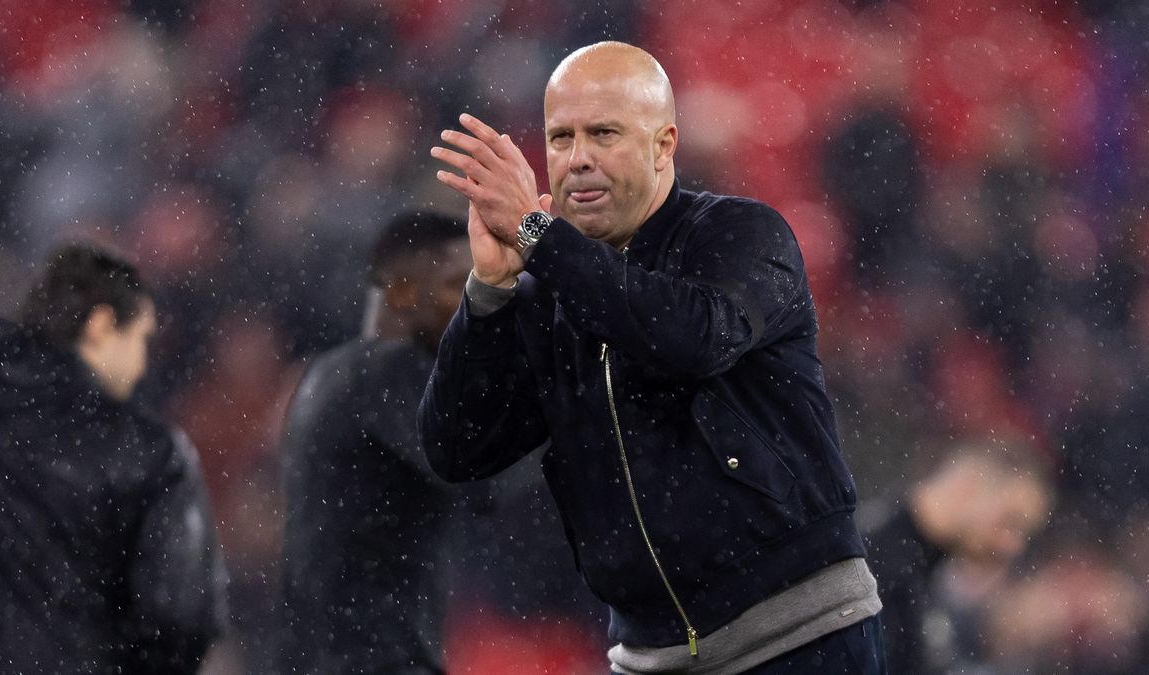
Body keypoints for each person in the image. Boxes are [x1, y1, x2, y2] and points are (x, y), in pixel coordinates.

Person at [422, 41, 886, 674]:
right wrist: (489, 291)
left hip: (799, 638)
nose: (578, 159)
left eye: (603, 133)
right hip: (650, 655)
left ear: (664, 145)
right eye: (560, 138)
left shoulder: (741, 234)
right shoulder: (546, 290)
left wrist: (536, 236)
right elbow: (457, 450)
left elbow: (688, 340)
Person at [0, 243, 228, 674]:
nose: (141, 364)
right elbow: (180, 621)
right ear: (100, 325)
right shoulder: (144, 452)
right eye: (141, 338)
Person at [278, 211, 474, 674]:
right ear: (403, 293)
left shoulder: (326, 375)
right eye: (457, 286)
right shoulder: (387, 371)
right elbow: (480, 475)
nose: (473, 304)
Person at [862, 439, 1052, 674]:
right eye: (1010, 521)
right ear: (967, 486)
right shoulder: (876, 561)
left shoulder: (919, 567)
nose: (1014, 546)